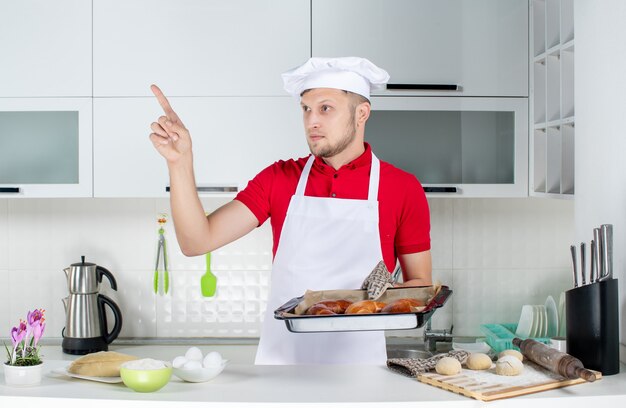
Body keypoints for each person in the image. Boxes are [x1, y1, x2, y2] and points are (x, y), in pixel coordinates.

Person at [149, 57, 432, 365]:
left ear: (361, 113)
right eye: (305, 109)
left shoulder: (402, 188)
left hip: (361, 368)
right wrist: (180, 163)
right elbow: (196, 242)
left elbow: (419, 283)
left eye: (325, 108)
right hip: (282, 366)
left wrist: (383, 295)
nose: (312, 121)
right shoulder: (279, 179)